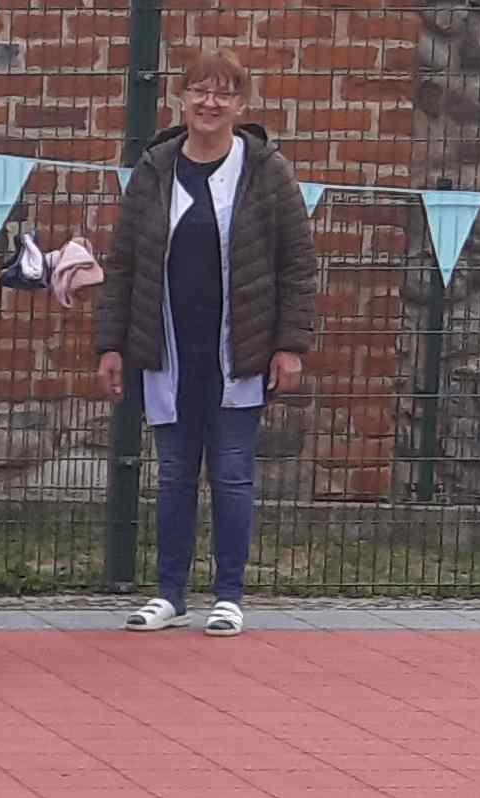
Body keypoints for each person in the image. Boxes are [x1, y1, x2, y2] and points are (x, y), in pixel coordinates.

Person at [99, 52, 317, 633]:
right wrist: (111, 345)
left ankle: (229, 595)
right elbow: (123, 264)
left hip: (239, 349)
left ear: (241, 105)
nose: (210, 103)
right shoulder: (155, 169)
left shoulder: (267, 171)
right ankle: (170, 594)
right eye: (199, 90)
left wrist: (290, 345)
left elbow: (297, 264)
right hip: (169, 349)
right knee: (173, 474)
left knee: (231, 472)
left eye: (224, 94)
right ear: (182, 98)